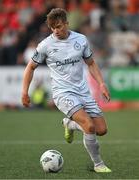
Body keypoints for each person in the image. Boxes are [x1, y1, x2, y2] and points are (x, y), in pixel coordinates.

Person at [21, 8, 112, 173]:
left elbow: (90, 63)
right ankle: (98, 164)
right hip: (63, 93)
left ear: (66, 23)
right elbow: (30, 67)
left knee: (101, 130)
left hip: (83, 92)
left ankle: (69, 124)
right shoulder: (45, 45)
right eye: (53, 28)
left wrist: (101, 84)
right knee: (89, 126)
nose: (56, 31)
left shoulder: (81, 40)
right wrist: (24, 92)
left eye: (59, 26)